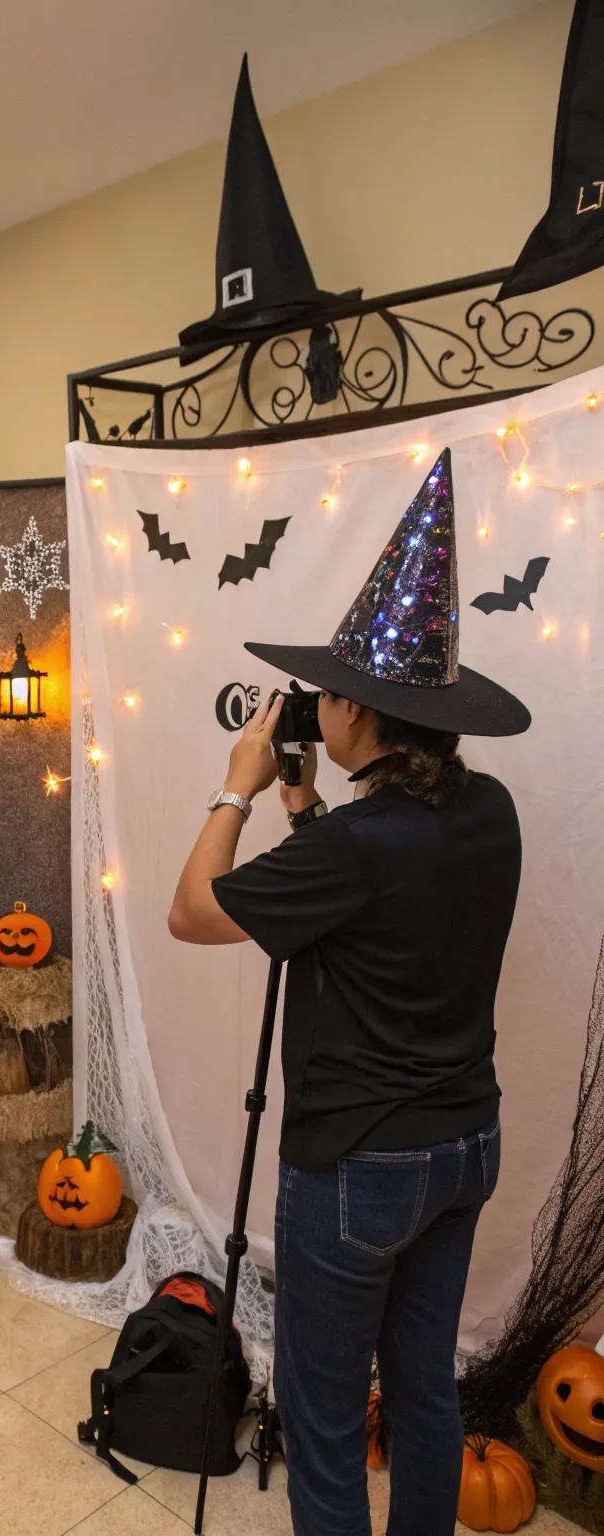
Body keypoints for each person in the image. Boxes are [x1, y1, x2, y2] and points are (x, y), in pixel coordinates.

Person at [169, 450, 529, 1536]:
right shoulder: (487, 809)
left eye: (330, 690)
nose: (318, 703)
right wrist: (302, 815)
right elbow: (385, 915)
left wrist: (233, 789)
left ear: (361, 716)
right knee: (421, 1389)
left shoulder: (362, 844)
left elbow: (192, 910)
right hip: (463, 1145)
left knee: (324, 1417)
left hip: (357, 1166)